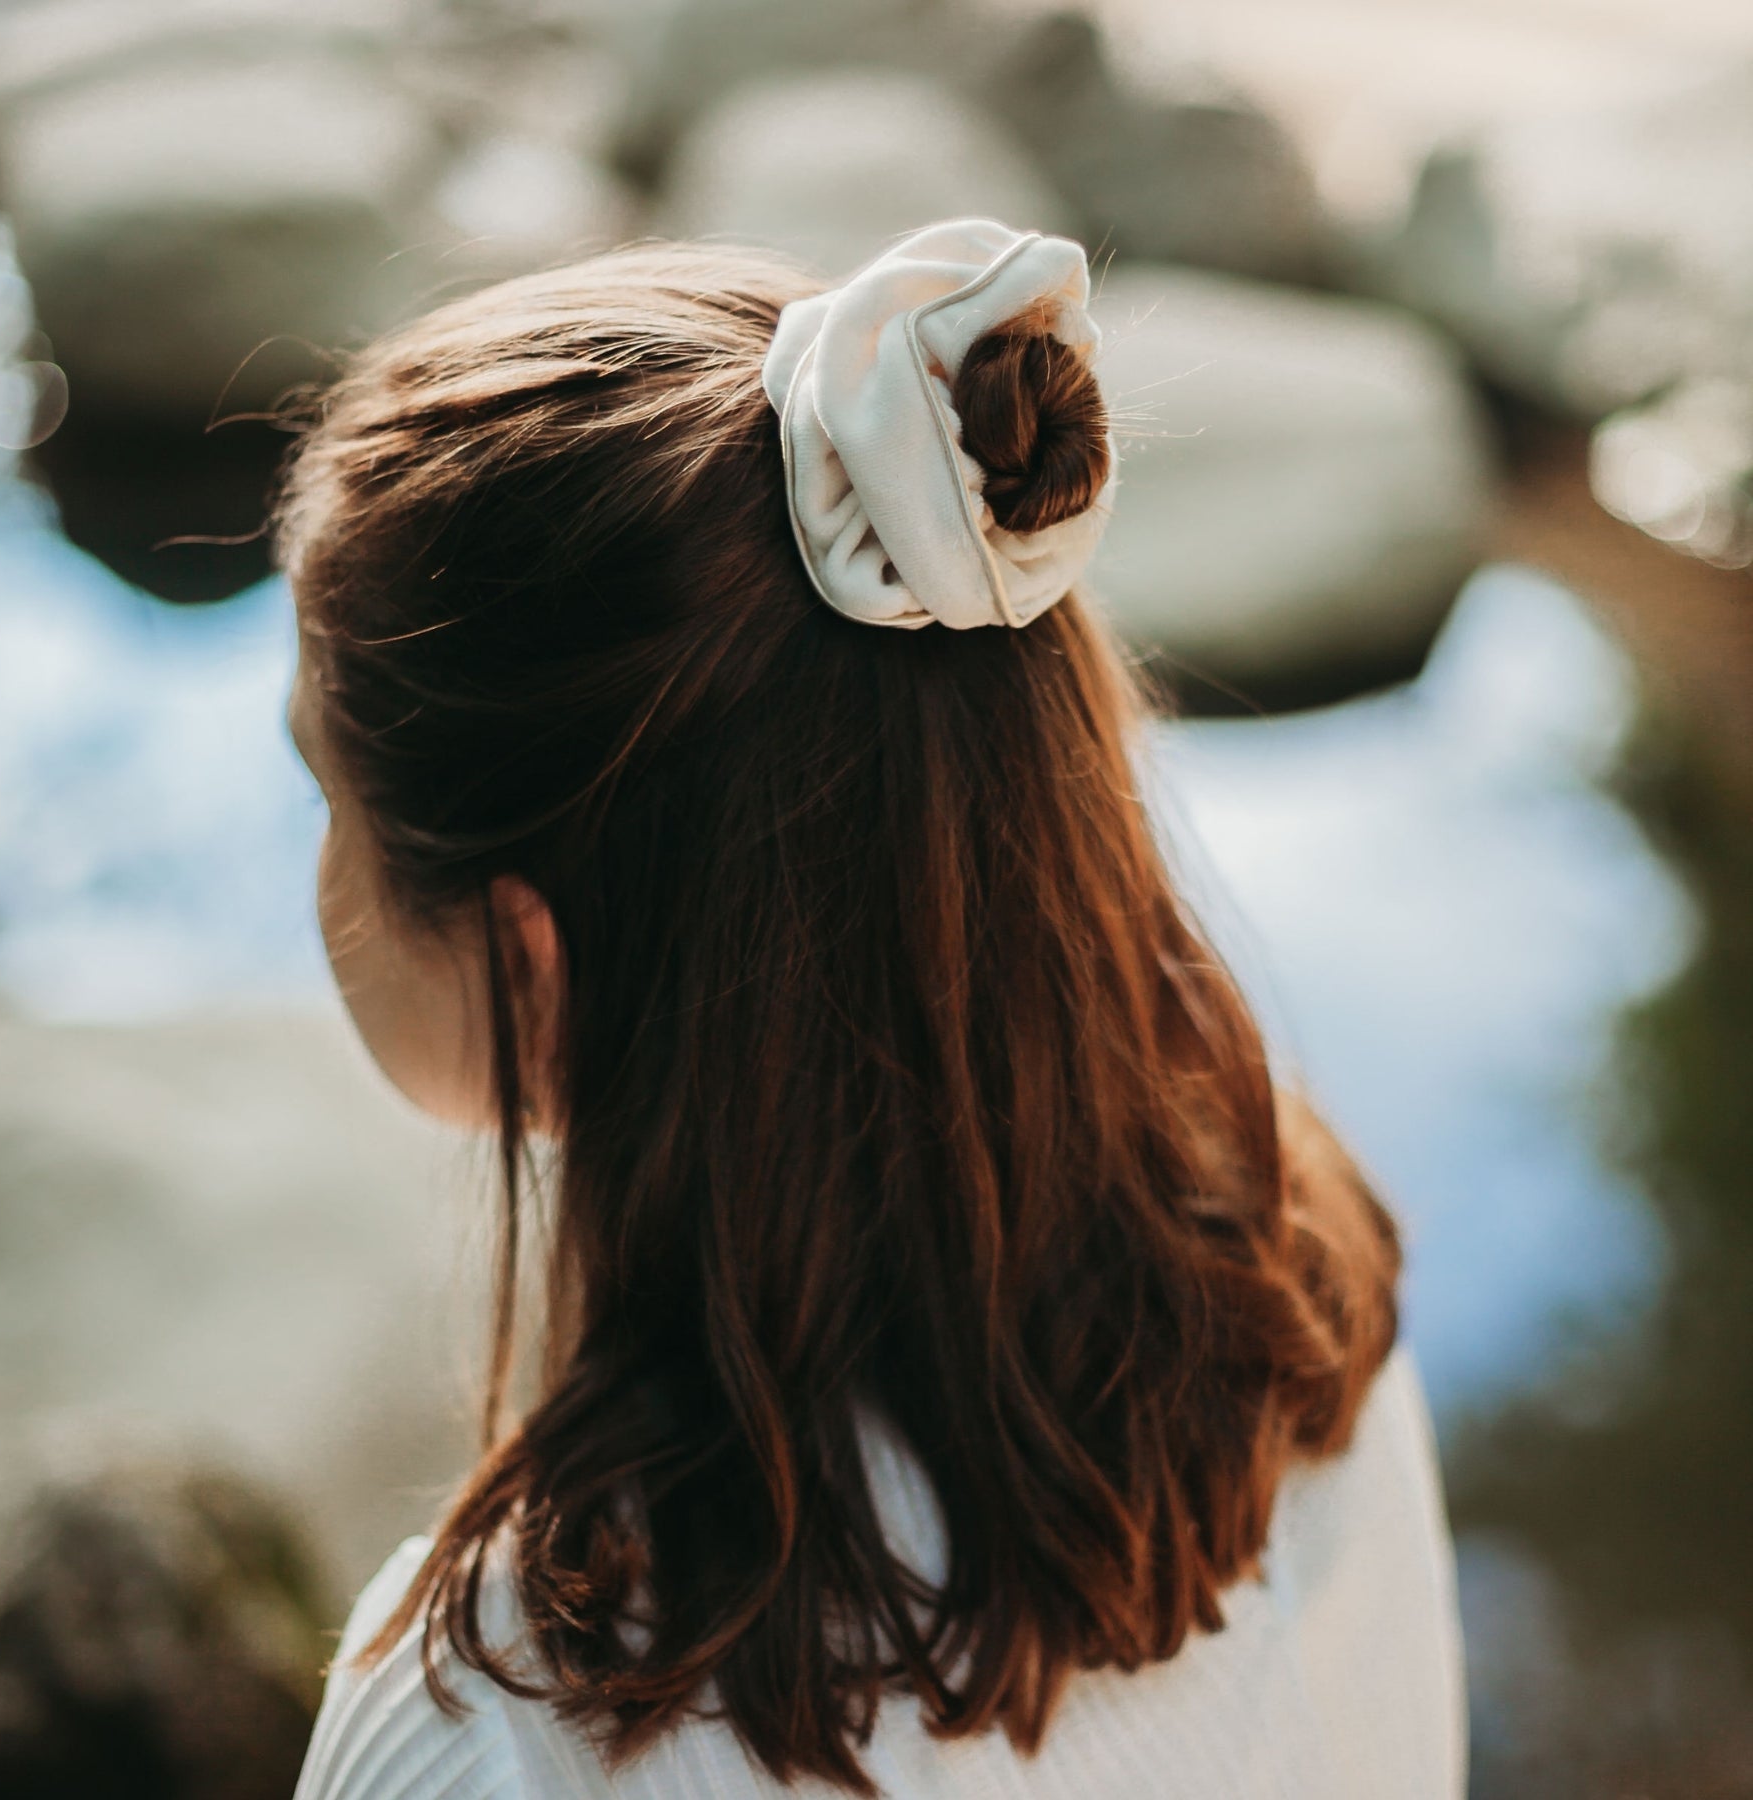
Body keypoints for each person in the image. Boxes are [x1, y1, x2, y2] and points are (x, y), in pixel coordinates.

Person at [279, 220, 1464, 1799]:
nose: (320, 858)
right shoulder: (1300, 1305)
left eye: (323, 788)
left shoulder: (502, 1727)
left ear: (526, 963)